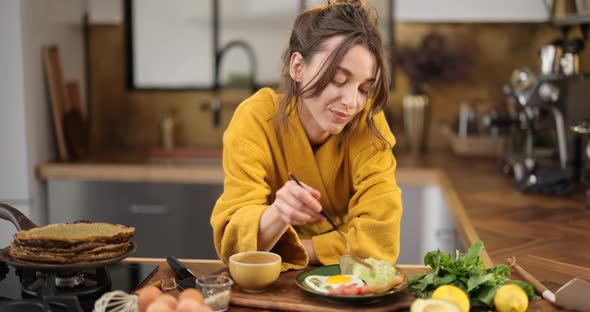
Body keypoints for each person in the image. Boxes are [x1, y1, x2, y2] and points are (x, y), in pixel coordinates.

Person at [210, 0, 402, 271]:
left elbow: (380, 241)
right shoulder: (254, 119)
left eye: (363, 88)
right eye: (338, 79)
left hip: (344, 283)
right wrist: (278, 213)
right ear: (298, 67)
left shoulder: (368, 123)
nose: (352, 101)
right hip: (272, 284)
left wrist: (294, 249)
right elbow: (233, 247)